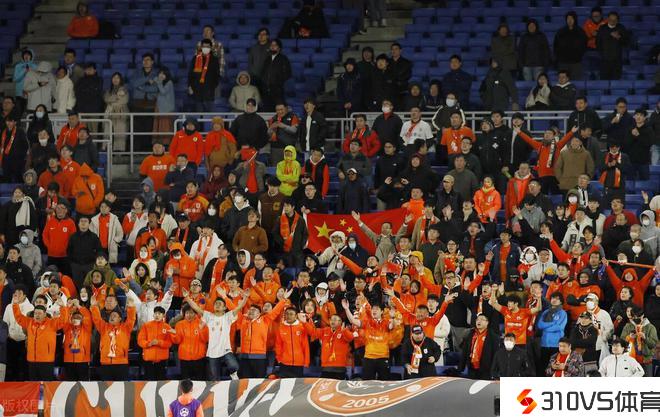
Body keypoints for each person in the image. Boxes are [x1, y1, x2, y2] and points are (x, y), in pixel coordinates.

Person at [12, 292, 68, 381]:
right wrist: (15, 305)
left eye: (39, 313)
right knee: (34, 385)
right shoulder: (29, 322)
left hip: (46, 361)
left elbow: (63, 320)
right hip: (32, 361)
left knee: (46, 385)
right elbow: (19, 317)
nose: (37, 315)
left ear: (45, 314)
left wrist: (62, 307)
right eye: (35, 313)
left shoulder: (51, 323)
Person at [237, 291, 290, 378]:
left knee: (259, 381)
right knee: (245, 381)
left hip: (259, 357)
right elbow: (233, 309)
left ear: (259, 314)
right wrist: (226, 297)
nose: (251, 311)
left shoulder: (265, 320)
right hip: (244, 357)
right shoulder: (243, 320)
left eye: (254, 310)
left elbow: (275, 311)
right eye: (250, 310)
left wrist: (283, 299)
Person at [129, 53, 159, 149]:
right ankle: (136, 150)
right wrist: (147, 79)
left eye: (148, 60)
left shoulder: (157, 74)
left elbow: (156, 89)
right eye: (144, 60)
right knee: (137, 128)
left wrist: (142, 88)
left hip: (150, 105)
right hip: (137, 104)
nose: (145, 62)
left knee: (148, 128)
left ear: (152, 62)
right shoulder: (136, 73)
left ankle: (146, 150)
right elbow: (134, 84)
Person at [460, 314, 499, 380]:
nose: (479, 321)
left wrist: (494, 371)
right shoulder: (470, 334)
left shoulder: (493, 337)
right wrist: (461, 368)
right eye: (477, 319)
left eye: (482, 319)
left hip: (486, 370)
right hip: (472, 369)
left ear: (487, 322)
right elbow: (465, 351)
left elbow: (495, 355)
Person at [188, 39, 220, 112]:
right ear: (201, 47)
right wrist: (190, 85)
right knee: (199, 115)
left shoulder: (214, 59)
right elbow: (190, 74)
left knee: (210, 116)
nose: (205, 48)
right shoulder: (195, 58)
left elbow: (217, 75)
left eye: (207, 46)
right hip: (197, 92)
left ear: (211, 48)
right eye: (204, 46)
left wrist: (212, 87)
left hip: (209, 92)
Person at [553, 11, 587, 80]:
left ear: (575, 19)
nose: (570, 20)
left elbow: (584, 46)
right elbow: (556, 46)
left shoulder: (581, 32)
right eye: (568, 18)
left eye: (571, 18)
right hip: (563, 63)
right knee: (563, 83)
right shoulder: (560, 32)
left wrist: (579, 56)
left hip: (576, 63)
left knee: (576, 83)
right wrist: (559, 57)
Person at [596, 12, 629, 80]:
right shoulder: (602, 28)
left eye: (614, 20)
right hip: (604, 61)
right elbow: (598, 42)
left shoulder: (621, 28)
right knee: (604, 82)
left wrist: (619, 37)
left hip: (617, 61)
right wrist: (602, 54)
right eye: (611, 19)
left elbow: (626, 42)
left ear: (617, 20)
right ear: (607, 19)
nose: (612, 21)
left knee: (616, 82)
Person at [261, 39, 291, 111]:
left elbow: (287, 73)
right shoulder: (267, 59)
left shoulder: (283, 59)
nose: (272, 47)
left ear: (279, 48)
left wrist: (278, 82)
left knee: (278, 110)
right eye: (271, 45)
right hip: (266, 90)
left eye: (275, 45)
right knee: (267, 110)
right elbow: (263, 73)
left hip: (278, 90)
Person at [103, 72, 129, 152]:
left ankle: (119, 152)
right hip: (109, 113)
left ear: (120, 79)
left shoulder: (124, 89)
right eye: (114, 78)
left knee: (120, 133)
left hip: (120, 113)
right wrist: (116, 97)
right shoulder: (108, 90)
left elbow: (123, 101)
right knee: (107, 131)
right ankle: (106, 150)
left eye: (117, 78)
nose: (115, 79)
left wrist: (111, 101)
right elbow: (106, 99)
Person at [74, 63, 104, 131]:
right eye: (87, 69)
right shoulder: (80, 80)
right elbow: (77, 93)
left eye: (90, 69)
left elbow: (95, 93)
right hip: (82, 110)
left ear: (95, 70)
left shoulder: (99, 80)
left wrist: (85, 91)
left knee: (93, 132)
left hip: (94, 111)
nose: (88, 71)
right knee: (81, 131)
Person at [0, 115, 30, 183]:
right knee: (6, 180)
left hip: (17, 161)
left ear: (15, 122)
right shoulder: (3, 132)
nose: (9, 123)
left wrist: (20, 157)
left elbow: (25, 145)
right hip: (6, 161)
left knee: (18, 180)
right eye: (7, 121)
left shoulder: (20, 131)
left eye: (11, 121)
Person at [12, 49, 37, 116]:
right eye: (25, 54)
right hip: (20, 93)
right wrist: (24, 71)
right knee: (19, 112)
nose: (26, 56)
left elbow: (36, 80)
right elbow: (16, 79)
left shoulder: (35, 67)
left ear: (31, 56)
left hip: (31, 93)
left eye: (28, 55)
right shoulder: (18, 66)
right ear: (22, 56)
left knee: (29, 113)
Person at [153, 67, 175, 140]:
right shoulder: (160, 83)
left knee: (165, 126)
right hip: (159, 107)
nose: (161, 75)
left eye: (163, 74)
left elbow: (163, 92)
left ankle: (166, 143)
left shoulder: (169, 83)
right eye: (160, 73)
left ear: (167, 75)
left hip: (166, 109)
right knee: (158, 126)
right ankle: (158, 142)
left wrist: (158, 81)